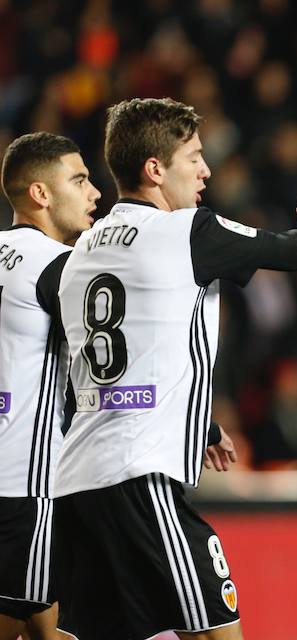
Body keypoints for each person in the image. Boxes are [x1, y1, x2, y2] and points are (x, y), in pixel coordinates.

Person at [52, 97, 297, 640]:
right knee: (215, 631)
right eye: (194, 157)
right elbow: (296, 253)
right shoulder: (187, 233)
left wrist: (201, 424)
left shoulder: (80, 251)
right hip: (142, 475)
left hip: (78, 481)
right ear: (155, 169)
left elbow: (110, 367)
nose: (205, 170)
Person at [0, 132, 99, 640]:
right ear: (41, 193)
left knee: (50, 626)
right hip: (26, 487)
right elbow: (106, 361)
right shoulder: (60, 267)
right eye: (79, 180)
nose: (94, 193)